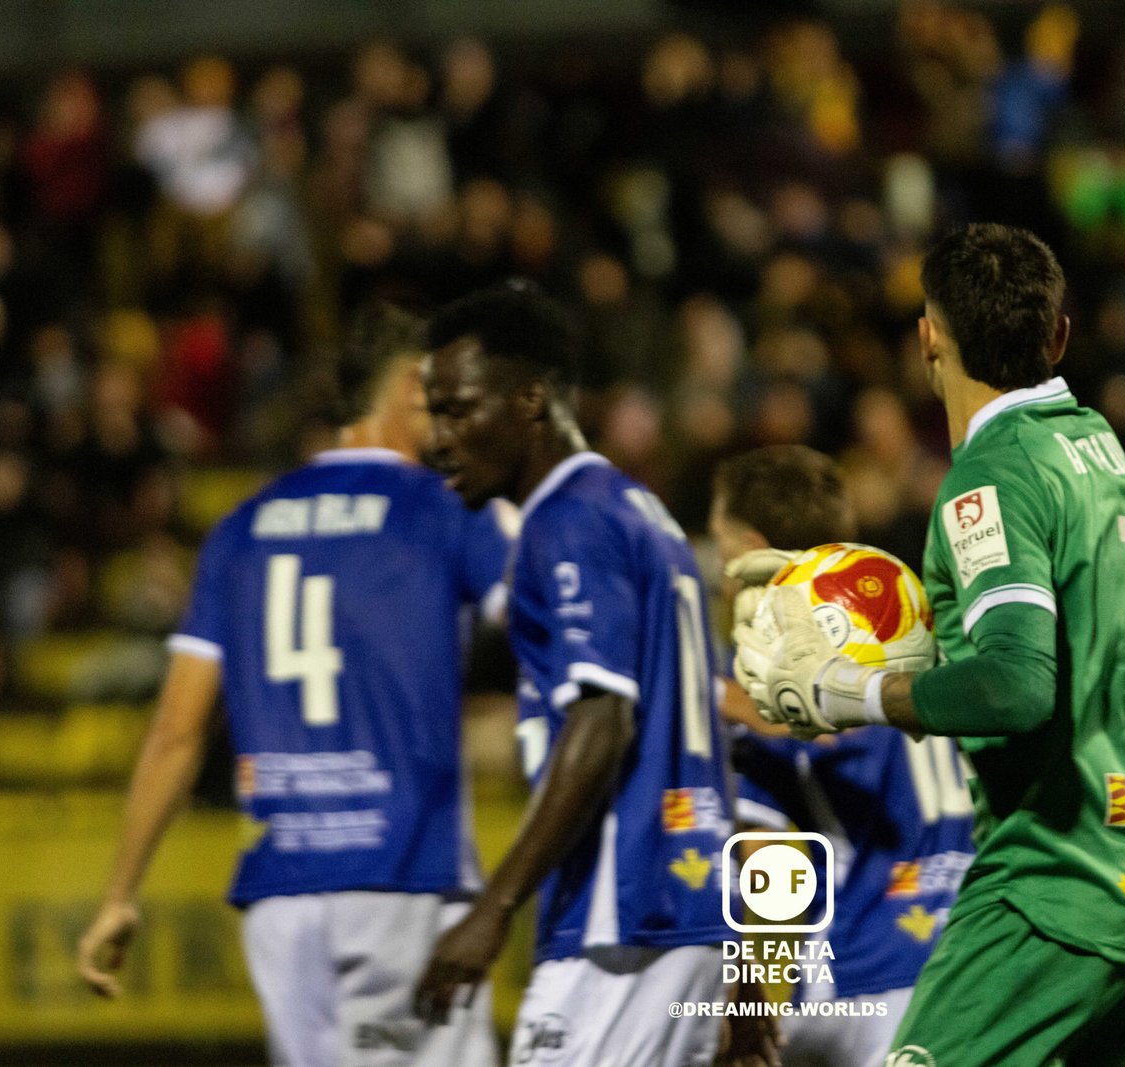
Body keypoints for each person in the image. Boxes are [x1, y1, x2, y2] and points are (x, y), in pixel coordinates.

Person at [734, 223, 1125, 1066]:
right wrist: (837, 591)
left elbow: (1017, 683)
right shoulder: (1093, 446)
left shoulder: (992, 474)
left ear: (927, 338)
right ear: (1059, 336)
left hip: (1051, 892)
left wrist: (844, 691)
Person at [76, 306, 508, 1067]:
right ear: (411, 387)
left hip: (281, 897)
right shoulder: (444, 510)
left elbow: (176, 728)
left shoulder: (242, 526)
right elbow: (554, 623)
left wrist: (119, 893)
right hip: (401, 874)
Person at [413, 281, 734, 1066]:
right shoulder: (633, 508)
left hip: (621, 915)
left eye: (458, 410)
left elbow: (602, 717)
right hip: (681, 902)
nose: (438, 439)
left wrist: (494, 906)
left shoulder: (570, 521)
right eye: (433, 414)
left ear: (530, 399)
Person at [710, 445, 975, 1067]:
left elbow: (767, 858)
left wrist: (746, 990)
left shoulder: (771, 667)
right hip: (966, 967)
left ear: (750, 549)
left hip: (856, 978)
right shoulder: (912, 613)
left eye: (719, 549)